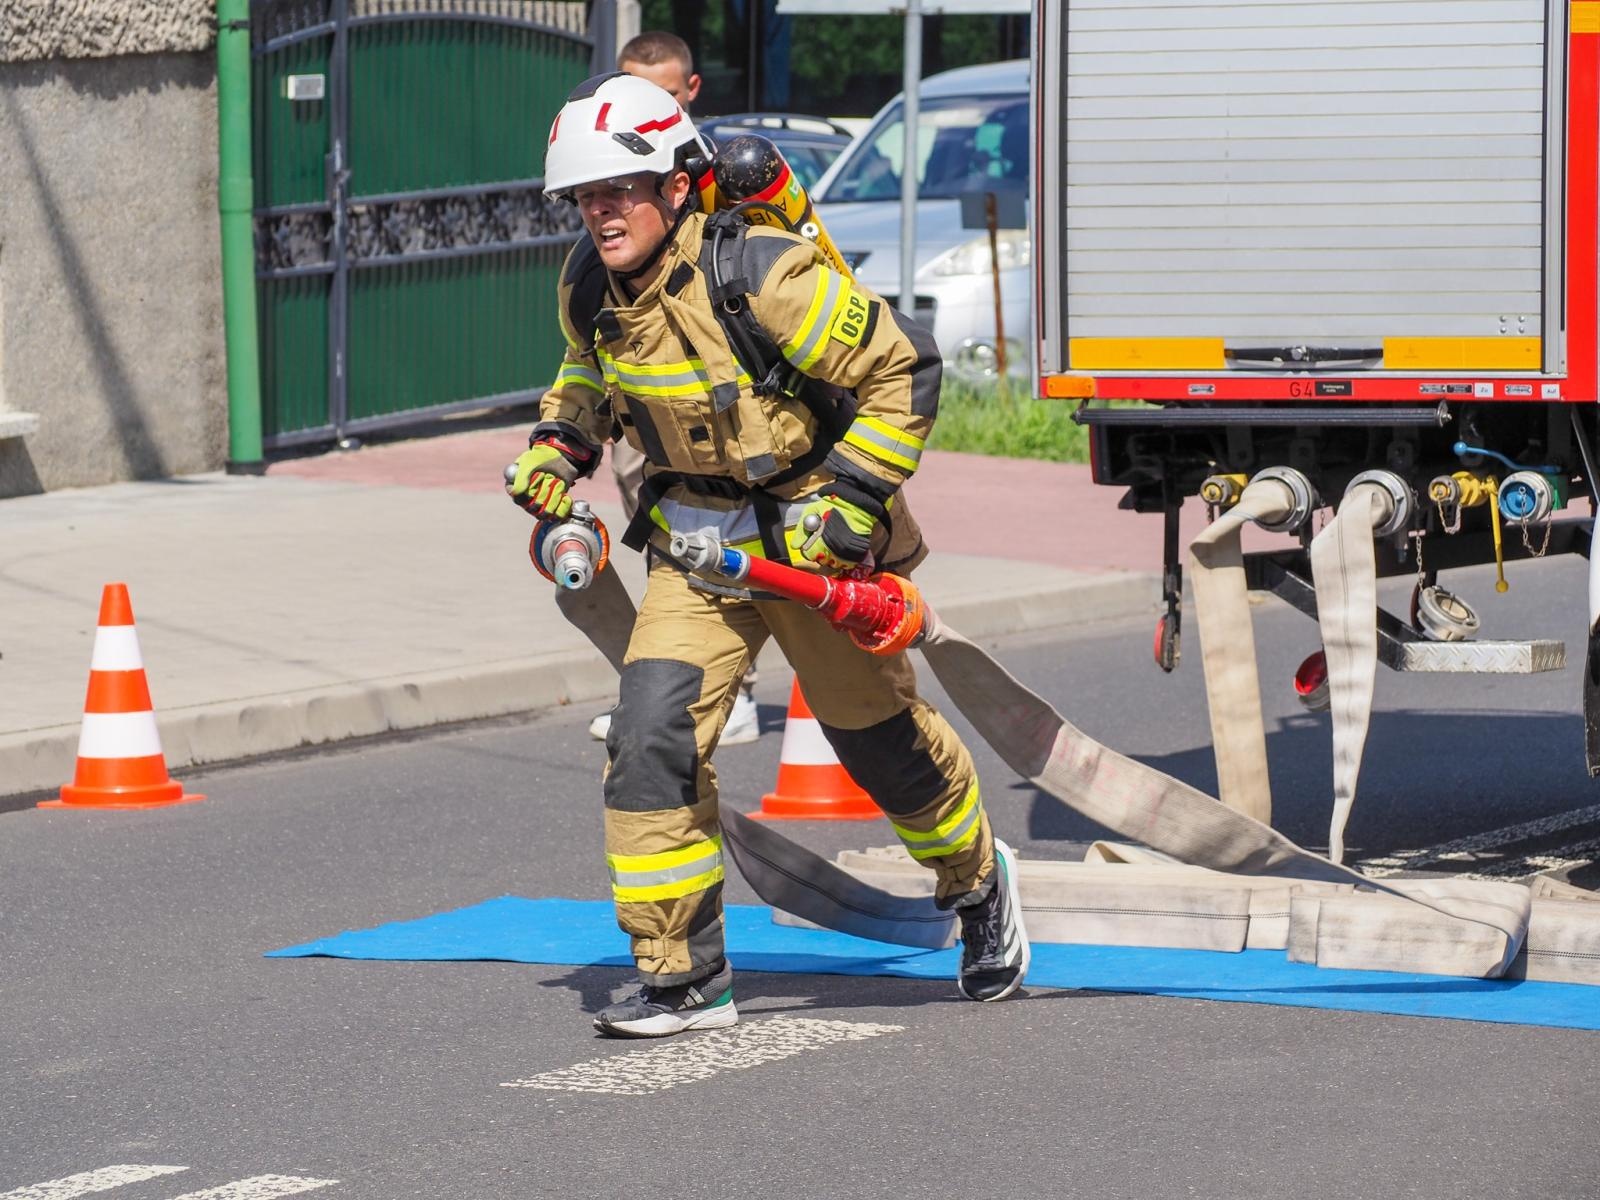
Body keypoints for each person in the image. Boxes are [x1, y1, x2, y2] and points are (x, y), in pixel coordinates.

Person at [507, 73, 1029, 1037]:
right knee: (649, 737)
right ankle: (684, 979)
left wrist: (855, 496)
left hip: (814, 554)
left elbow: (901, 366)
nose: (599, 213)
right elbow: (590, 375)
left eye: (617, 191)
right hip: (698, 553)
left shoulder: (760, 273)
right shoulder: (589, 285)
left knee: (884, 753)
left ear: (675, 187)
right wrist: (558, 445)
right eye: (583, 197)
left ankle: (976, 886)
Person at [583, 31, 761, 748]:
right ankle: (691, 690)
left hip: (742, 426)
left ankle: (734, 690)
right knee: (669, 529)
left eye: (659, 94)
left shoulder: (718, 178)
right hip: (655, 419)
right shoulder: (613, 202)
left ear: (690, 93)